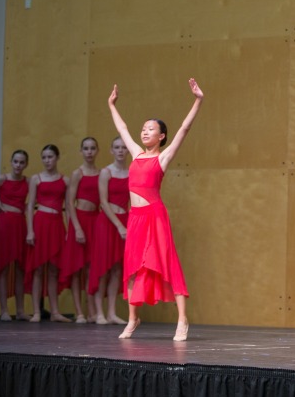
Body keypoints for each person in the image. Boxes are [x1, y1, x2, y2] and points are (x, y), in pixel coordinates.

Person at [108, 78, 204, 341]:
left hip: (155, 216)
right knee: (132, 267)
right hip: (135, 218)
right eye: (144, 129)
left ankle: (182, 320)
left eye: (151, 129)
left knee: (168, 263)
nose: (145, 132)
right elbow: (123, 127)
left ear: (161, 136)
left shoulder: (162, 157)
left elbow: (184, 129)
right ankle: (132, 320)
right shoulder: (136, 154)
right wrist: (111, 105)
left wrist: (198, 100)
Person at [25, 144, 71, 323]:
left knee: (53, 270)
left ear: (57, 158)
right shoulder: (36, 179)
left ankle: (55, 311)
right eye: (44, 157)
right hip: (40, 223)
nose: (47, 161)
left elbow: (67, 208)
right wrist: (29, 230)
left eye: (50, 157)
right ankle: (36, 311)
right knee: (37, 269)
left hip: (57, 225)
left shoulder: (65, 180)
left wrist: (68, 230)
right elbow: (29, 206)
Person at [89, 137, 129, 325]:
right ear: (111, 150)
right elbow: (103, 202)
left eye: (123, 147)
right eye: (116, 147)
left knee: (117, 268)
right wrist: (119, 226)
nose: (120, 150)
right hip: (107, 222)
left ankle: (112, 312)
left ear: (127, 151)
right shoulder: (106, 172)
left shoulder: (130, 173)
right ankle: (99, 313)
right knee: (102, 267)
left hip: (124, 220)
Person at [60, 137, 100, 323]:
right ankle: (79, 312)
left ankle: (92, 311)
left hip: (95, 221)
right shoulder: (77, 173)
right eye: (86, 148)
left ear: (97, 151)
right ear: (81, 151)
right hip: (80, 220)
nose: (89, 152)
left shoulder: (102, 173)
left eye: (92, 148)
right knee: (77, 268)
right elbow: (69, 202)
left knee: (92, 268)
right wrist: (76, 228)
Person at [0, 150, 30, 321]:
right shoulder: (2, 179)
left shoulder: (28, 181)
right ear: (11, 162)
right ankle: (4, 310)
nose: (18, 165)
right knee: (3, 267)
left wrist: (27, 206)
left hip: (20, 224)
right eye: (16, 162)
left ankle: (20, 310)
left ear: (26, 164)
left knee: (20, 267)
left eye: (22, 162)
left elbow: (35, 198)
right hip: (4, 225)